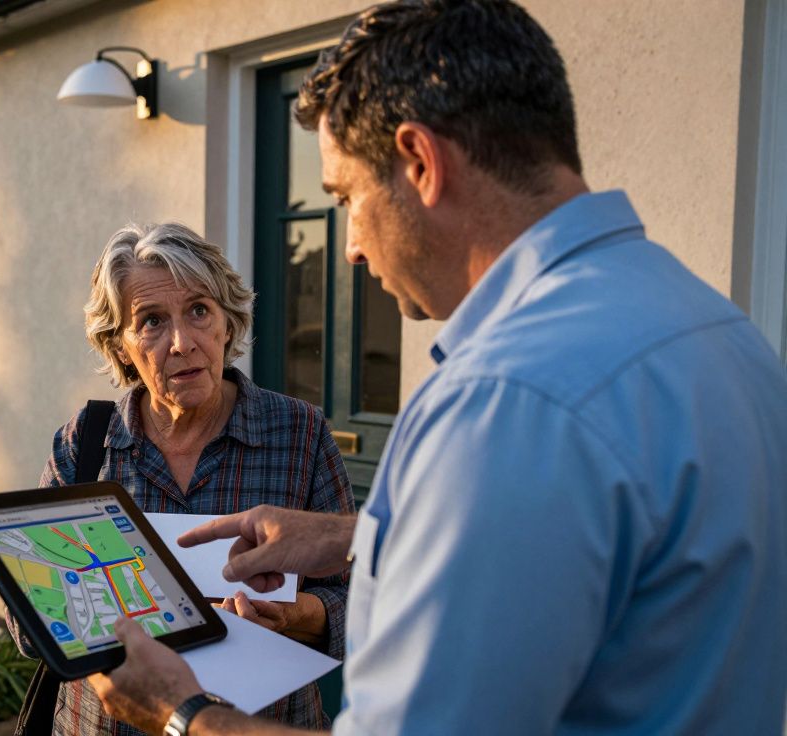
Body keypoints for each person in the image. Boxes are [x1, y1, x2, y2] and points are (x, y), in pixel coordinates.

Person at [86, 1, 787, 734]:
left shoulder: (504, 401)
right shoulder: (717, 330)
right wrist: (352, 538)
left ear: (420, 163)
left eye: (346, 197)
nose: (350, 246)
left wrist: (181, 712)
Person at [6, 222, 355, 734]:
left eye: (198, 311)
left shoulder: (298, 434)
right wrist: (109, 609)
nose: (181, 342)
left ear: (227, 323)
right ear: (120, 345)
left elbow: (362, 602)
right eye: (150, 321)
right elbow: (27, 626)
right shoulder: (84, 444)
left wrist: (296, 614)